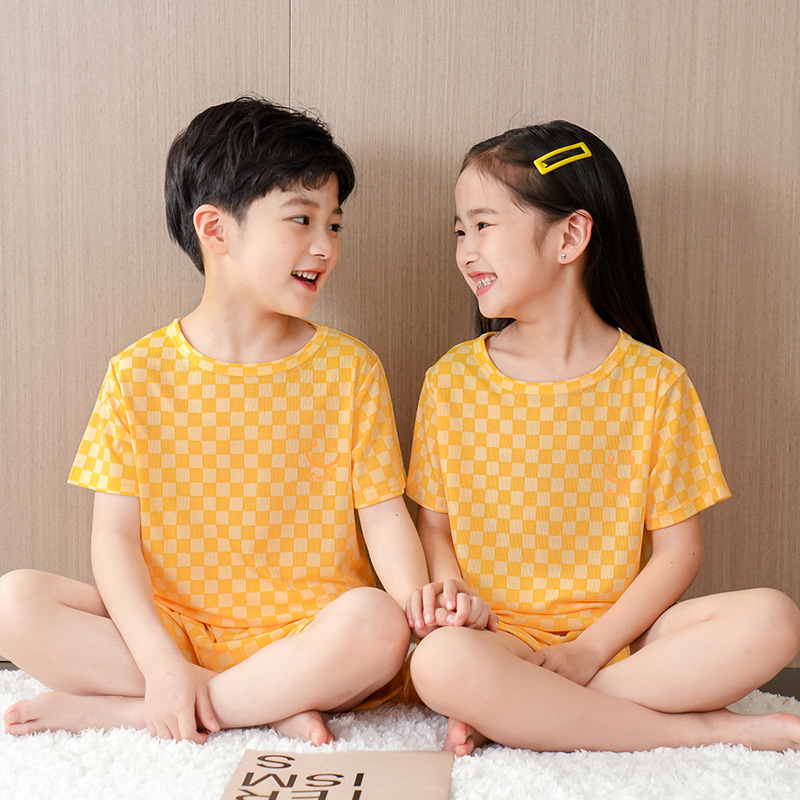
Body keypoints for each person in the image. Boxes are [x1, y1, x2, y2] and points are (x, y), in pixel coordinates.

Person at [0, 97, 429, 745]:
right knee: (15, 602)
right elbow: (114, 539)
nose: (325, 247)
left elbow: (384, 515)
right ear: (215, 228)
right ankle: (258, 698)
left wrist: (417, 607)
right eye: (301, 219)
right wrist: (162, 665)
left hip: (308, 630)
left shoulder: (350, 369)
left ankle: (143, 711)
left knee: (376, 623)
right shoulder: (137, 372)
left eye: (335, 224)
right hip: (177, 630)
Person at [405, 120, 800, 754]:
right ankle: (705, 730)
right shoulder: (450, 380)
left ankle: (528, 711)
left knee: (774, 619)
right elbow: (434, 528)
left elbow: (678, 553)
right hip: (500, 639)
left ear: (570, 236)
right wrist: (457, 599)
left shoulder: (656, 383)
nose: (465, 252)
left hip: (625, 639)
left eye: (483, 225)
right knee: (439, 663)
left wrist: (590, 650)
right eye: (459, 231)